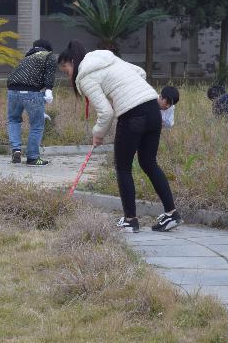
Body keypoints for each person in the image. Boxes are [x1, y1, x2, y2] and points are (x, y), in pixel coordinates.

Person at [57, 40, 182, 233]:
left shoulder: (85, 77)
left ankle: (130, 220)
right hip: (152, 108)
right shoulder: (107, 58)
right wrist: (121, 95)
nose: (68, 76)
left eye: (66, 70)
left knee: (123, 167)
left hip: (133, 115)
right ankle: (171, 213)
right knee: (149, 163)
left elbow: (105, 114)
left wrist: (97, 134)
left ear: (73, 62)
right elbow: (140, 73)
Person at [6, 39, 57, 166]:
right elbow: (49, 75)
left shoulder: (26, 58)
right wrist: (49, 90)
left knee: (14, 120)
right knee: (37, 125)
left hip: (12, 91)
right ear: (48, 49)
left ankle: (16, 150)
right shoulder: (49, 56)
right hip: (32, 93)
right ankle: (33, 157)